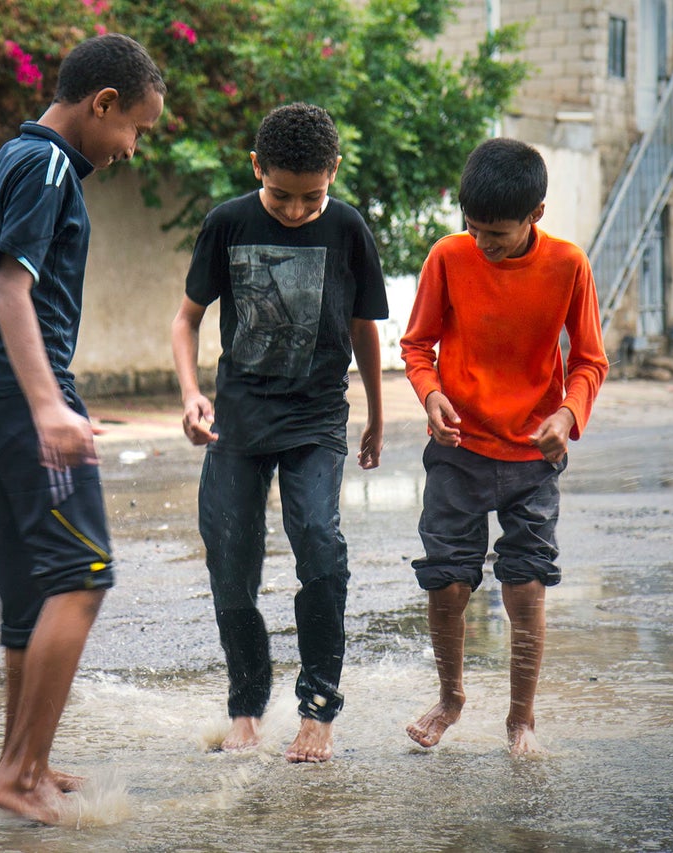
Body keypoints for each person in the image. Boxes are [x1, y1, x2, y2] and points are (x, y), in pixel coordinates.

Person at [0, 34, 164, 824]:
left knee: (31, 588)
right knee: (81, 572)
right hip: (16, 396)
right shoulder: (49, 166)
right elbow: (8, 286)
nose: (133, 147)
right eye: (134, 128)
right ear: (101, 103)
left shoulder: (11, 157)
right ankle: (18, 770)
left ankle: (25, 758)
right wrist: (46, 402)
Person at [171, 103, 388, 764]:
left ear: (335, 174)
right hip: (237, 416)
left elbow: (363, 330)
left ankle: (318, 711)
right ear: (257, 167)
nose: (295, 210)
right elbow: (186, 320)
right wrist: (190, 394)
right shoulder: (228, 222)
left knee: (319, 542)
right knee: (230, 553)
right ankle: (246, 707)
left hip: (316, 415)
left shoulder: (348, 228)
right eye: (282, 195)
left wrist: (378, 415)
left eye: (311, 197)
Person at [399, 137, 609, 756]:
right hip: (457, 448)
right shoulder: (448, 257)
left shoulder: (569, 265)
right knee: (446, 582)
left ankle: (522, 719)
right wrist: (430, 394)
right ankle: (451, 698)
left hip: (532, 456)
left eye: (496, 233)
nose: (483, 243)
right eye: (472, 227)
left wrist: (569, 414)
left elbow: (590, 360)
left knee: (526, 585)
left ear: (535, 216)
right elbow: (418, 346)